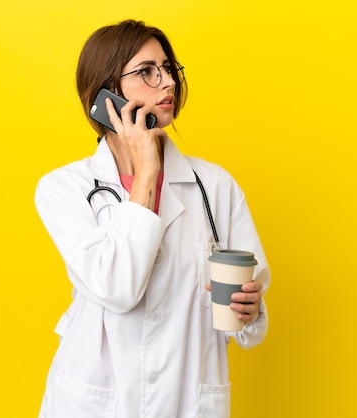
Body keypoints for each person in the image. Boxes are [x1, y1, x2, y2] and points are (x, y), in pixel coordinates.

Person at [35, 19, 270, 418]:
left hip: (187, 400)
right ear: (107, 94)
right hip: (96, 402)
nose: (168, 83)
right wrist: (145, 172)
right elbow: (118, 288)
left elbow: (248, 323)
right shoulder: (63, 188)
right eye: (147, 72)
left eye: (168, 69)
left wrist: (250, 309)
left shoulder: (215, 186)